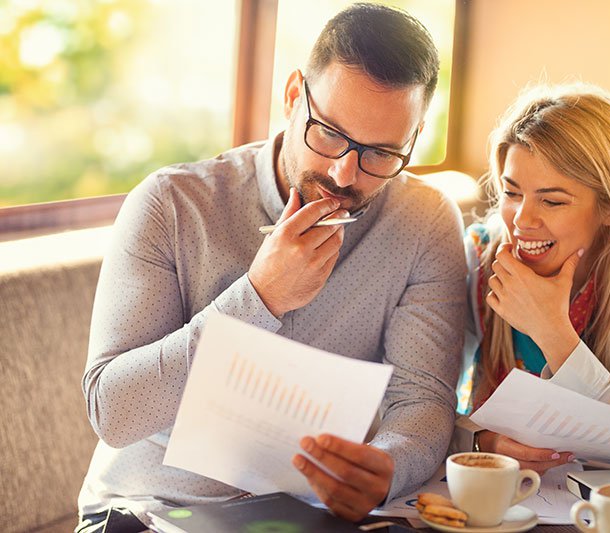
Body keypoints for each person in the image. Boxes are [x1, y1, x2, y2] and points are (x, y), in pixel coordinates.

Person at [76, 4, 466, 531]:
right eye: (329, 133)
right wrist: (260, 297)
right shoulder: (171, 203)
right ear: (292, 97)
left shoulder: (425, 223)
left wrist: (389, 466)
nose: (343, 172)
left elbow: (422, 400)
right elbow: (113, 412)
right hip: (151, 510)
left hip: (310, 518)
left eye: (379, 153)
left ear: (413, 140)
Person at [451, 83, 610, 474]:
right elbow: (424, 405)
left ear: (609, 207)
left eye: (552, 201)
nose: (522, 221)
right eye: (512, 192)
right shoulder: (480, 257)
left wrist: (553, 332)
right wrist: (479, 439)